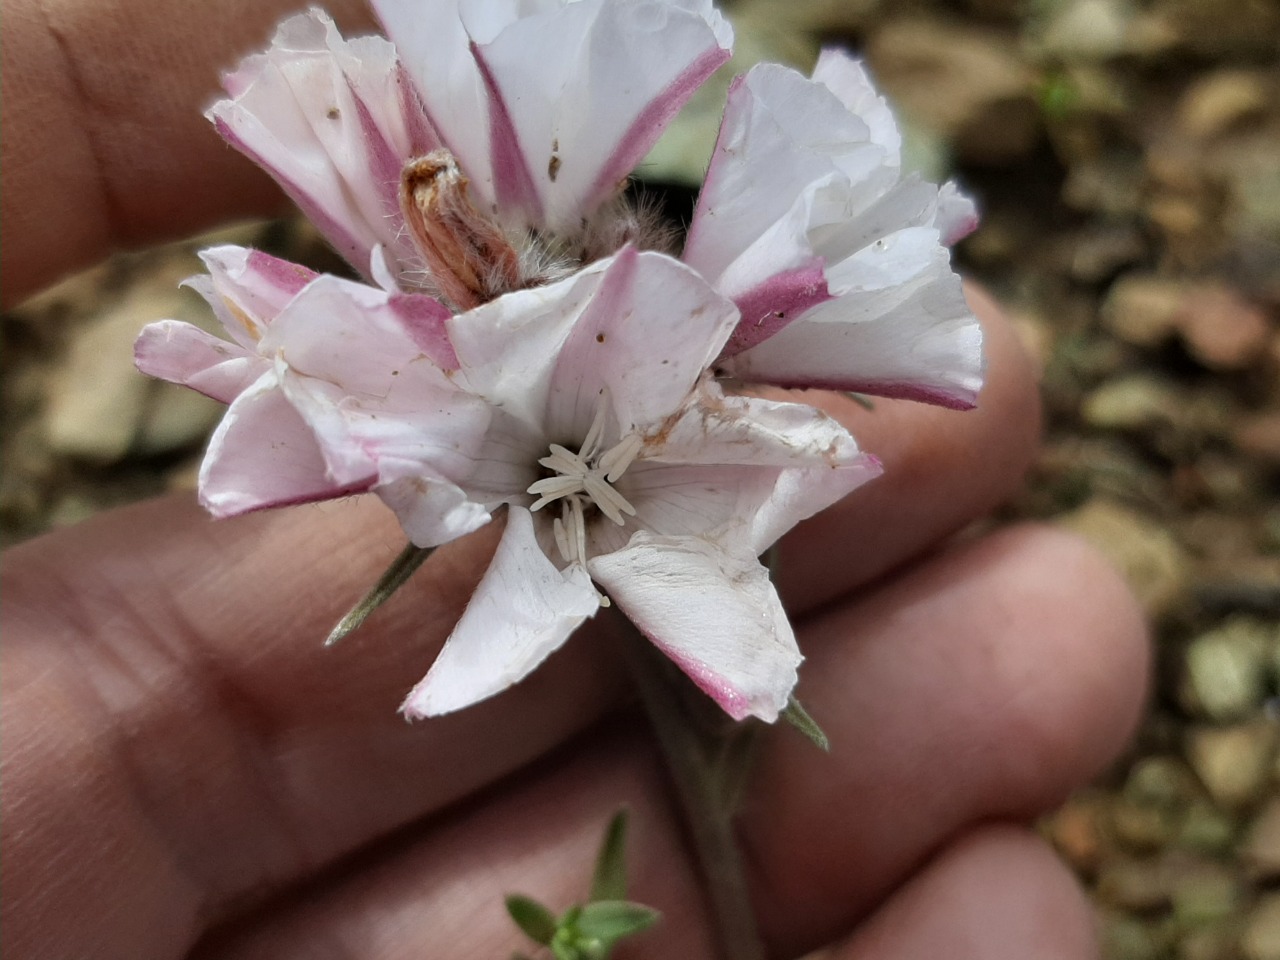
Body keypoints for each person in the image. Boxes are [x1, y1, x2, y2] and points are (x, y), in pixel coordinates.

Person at [0, 0, 1149, 956]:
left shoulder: (609, 333)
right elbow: (566, 380)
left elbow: (650, 369)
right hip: (559, 437)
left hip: (593, 427)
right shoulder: (510, 383)